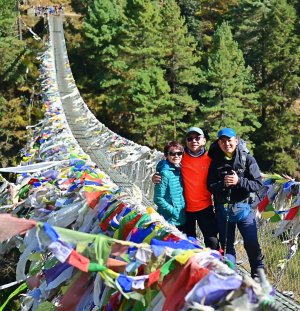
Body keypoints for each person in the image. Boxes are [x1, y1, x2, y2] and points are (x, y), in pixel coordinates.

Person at [207, 127, 264, 278]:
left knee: (251, 243)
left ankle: (258, 274)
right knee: (226, 246)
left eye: (229, 140)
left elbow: (258, 184)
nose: (227, 144)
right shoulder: (214, 161)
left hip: (244, 208)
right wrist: (223, 184)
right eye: (223, 141)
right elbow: (210, 186)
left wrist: (239, 181)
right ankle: (230, 275)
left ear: (236, 141)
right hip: (223, 209)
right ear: (219, 143)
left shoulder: (248, 159)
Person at [153, 127, 219, 250]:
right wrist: (156, 174)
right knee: (188, 243)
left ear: (204, 141)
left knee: (212, 241)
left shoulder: (211, 158)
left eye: (197, 138)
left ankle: (216, 267)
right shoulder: (181, 159)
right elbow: (165, 164)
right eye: (190, 138)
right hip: (185, 210)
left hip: (205, 207)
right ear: (186, 142)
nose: (194, 141)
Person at [153, 141, 185, 230]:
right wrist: (174, 212)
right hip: (168, 219)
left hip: (181, 217)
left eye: (179, 153)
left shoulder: (179, 170)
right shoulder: (164, 173)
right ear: (166, 156)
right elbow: (158, 198)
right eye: (172, 153)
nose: (176, 156)